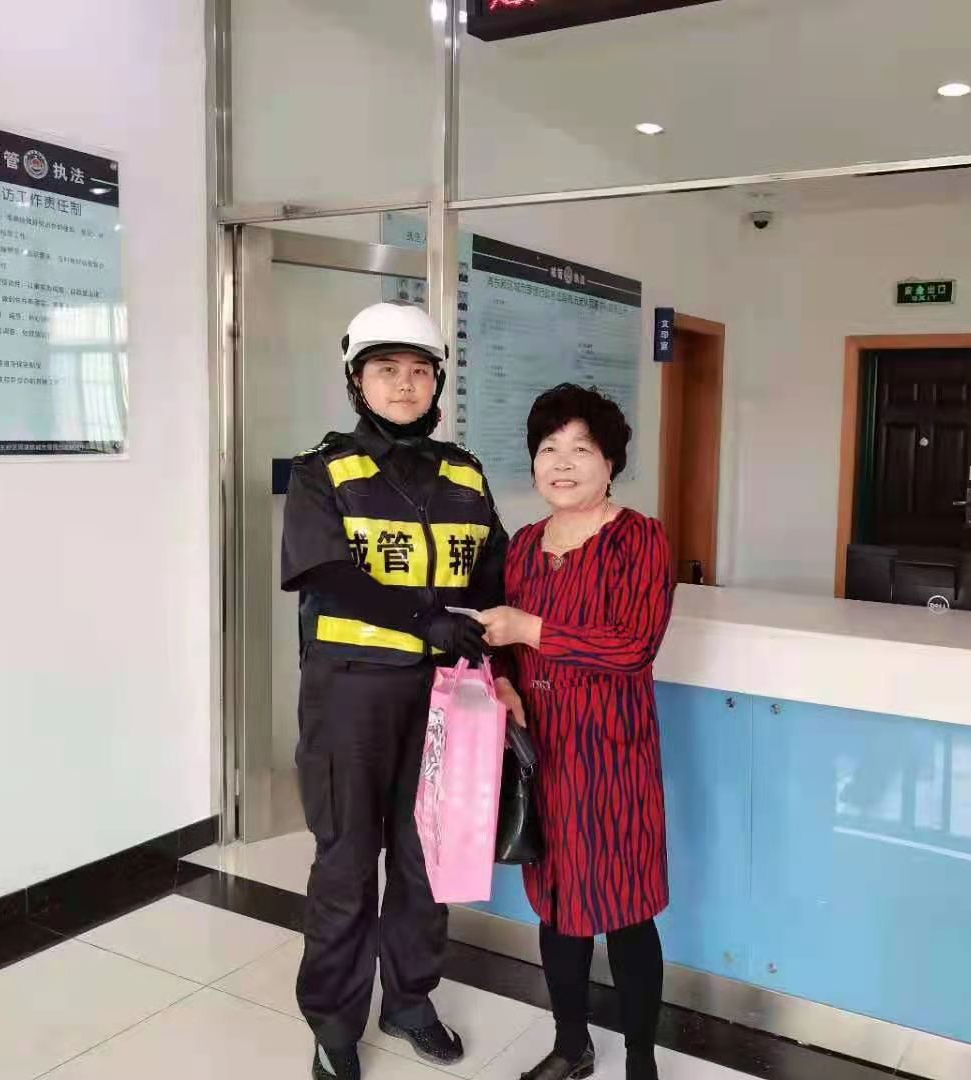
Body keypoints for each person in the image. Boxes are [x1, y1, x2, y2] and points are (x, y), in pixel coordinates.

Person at [280, 301, 522, 1080]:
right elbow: (325, 573)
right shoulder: (323, 471)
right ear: (358, 381)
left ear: (438, 383)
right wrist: (425, 619)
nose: (405, 384)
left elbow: (492, 577)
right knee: (347, 862)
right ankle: (333, 1024)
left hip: (446, 697)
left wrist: (502, 672)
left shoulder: (464, 473)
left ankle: (411, 1001)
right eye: (387, 370)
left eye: (420, 371)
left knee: (426, 859)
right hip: (350, 696)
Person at [477, 384, 675, 1080]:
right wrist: (505, 681)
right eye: (548, 448)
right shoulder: (524, 546)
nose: (562, 463)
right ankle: (572, 1046)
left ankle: (642, 1058)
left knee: (626, 911)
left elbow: (633, 646)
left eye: (581, 449)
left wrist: (530, 628)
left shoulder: (639, 538)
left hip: (613, 756)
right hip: (544, 755)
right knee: (558, 908)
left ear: (610, 462)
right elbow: (503, 645)